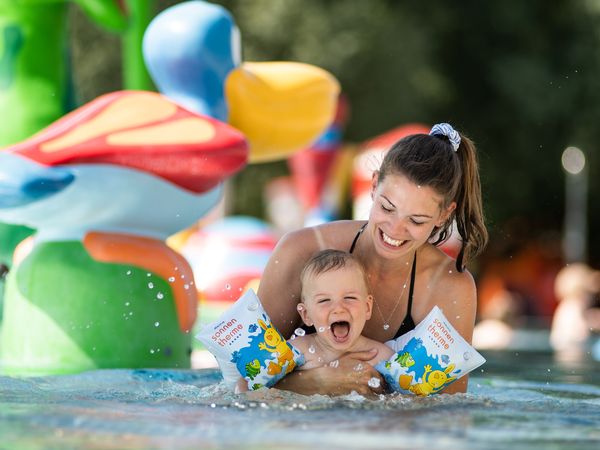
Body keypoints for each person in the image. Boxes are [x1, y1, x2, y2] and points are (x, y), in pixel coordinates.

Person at [258, 123, 488, 396]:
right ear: (374, 184)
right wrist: (317, 383)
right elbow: (243, 380)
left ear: (443, 216)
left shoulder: (448, 286)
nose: (394, 229)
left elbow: (448, 412)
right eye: (387, 208)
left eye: (416, 220)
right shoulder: (302, 249)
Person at [292, 249, 394, 371]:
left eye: (349, 297)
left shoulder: (381, 357)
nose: (339, 308)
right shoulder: (297, 351)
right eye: (324, 300)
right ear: (306, 314)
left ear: (367, 307)